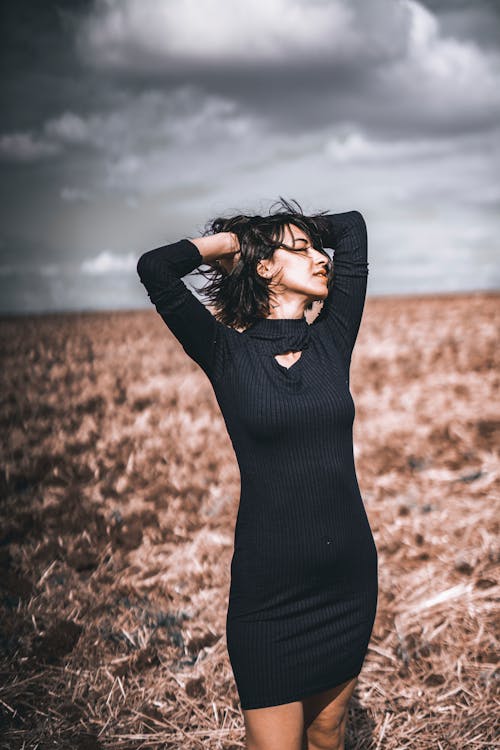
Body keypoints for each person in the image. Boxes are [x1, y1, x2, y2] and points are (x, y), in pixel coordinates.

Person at [137, 197, 378, 750]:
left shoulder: (332, 340)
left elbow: (353, 229)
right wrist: (238, 243)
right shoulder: (226, 354)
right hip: (270, 598)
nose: (322, 258)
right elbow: (155, 267)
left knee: (329, 734)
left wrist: (289, 234)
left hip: (347, 583)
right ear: (264, 267)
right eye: (302, 250)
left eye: (318, 250)